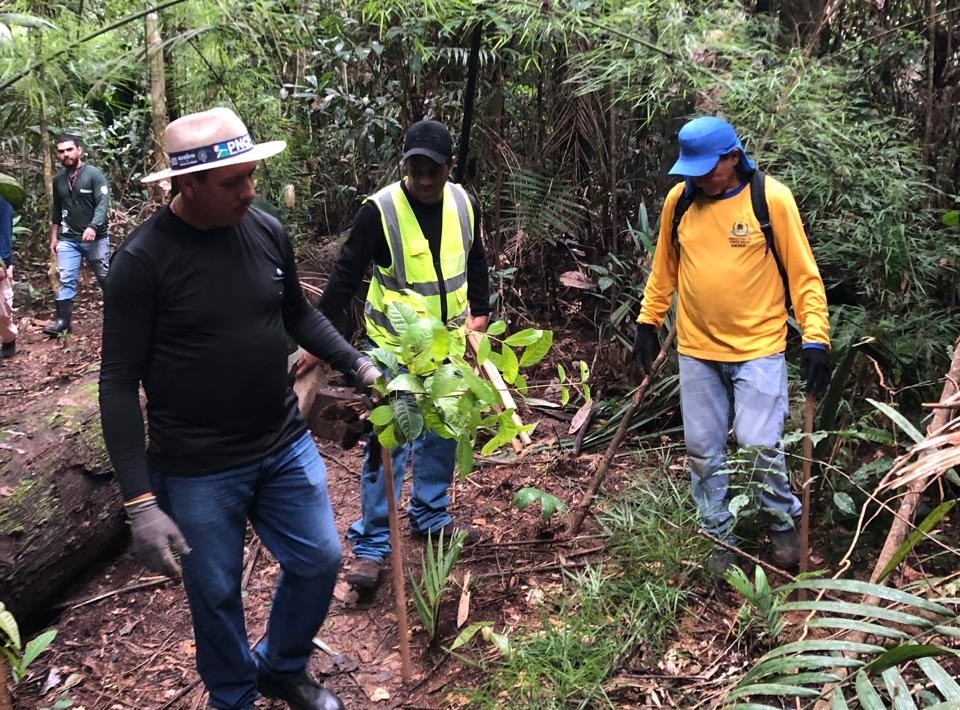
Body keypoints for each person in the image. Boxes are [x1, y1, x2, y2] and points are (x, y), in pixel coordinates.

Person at [99, 107, 380, 710]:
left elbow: (297, 313)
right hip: (198, 465)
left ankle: (281, 664)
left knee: (319, 558)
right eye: (233, 182)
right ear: (186, 184)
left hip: (281, 440)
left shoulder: (265, 229)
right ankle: (232, 695)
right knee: (217, 590)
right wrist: (140, 502)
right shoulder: (143, 262)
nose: (249, 191)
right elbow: (118, 382)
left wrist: (357, 364)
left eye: (251, 176)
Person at [297, 119, 490, 593]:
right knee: (388, 442)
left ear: (449, 167)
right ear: (405, 165)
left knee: (444, 428)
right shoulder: (379, 211)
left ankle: (430, 513)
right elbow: (344, 277)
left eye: (433, 170)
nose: (425, 180)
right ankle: (372, 545)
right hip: (393, 348)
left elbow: (477, 259)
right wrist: (316, 341)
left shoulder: (465, 203)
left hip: (449, 343)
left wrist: (480, 314)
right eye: (415, 169)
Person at [633, 115, 831, 573]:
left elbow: (804, 275)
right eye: (690, 170)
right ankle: (716, 541)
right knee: (702, 452)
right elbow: (665, 267)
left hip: (758, 348)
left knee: (759, 446)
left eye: (706, 168)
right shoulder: (680, 201)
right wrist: (649, 320)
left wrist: (815, 338)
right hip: (698, 351)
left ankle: (784, 531)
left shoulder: (770, 199)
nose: (697, 178)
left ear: (733, 158)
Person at [42, 134, 111, 337]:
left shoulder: (94, 175)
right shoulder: (58, 181)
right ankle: (63, 322)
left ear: (79, 150)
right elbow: (57, 209)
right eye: (62, 151)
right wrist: (54, 237)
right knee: (67, 278)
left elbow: (102, 204)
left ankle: (118, 313)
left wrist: (93, 226)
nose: (66, 154)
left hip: (95, 238)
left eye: (69, 150)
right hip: (68, 239)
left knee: (105, 277)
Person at [0, 195, 15, 358]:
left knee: (1, 310)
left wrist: (3, 263)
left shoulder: (2, 203)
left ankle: (9, 338)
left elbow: (4, 234)